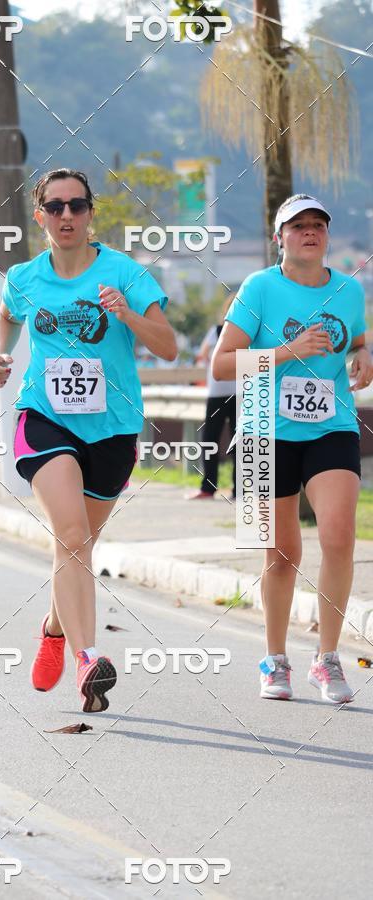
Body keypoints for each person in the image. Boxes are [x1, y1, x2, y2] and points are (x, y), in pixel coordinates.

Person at [0, 168, 177, 712]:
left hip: (112, 429)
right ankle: (88, 659)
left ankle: (53, 628)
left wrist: (127, 315)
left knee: (78, 546)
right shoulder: (24, 277)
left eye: (76, 206)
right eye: (55, 207)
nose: (66, 216)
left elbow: (167, 346)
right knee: (69, 535)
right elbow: (6, 319)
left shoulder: (124, 273)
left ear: (91, 212)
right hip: (45, 417)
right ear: (39, 214)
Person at [212, 193, 373, 704]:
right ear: (279, 237)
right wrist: (288, 351)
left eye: (318, 225)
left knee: (340, 536)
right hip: (263, 427)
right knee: (281, 554)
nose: (310, 232)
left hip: (332, 425)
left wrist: (365, 357)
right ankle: (275, 658)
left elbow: (359, 341)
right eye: (298, 225)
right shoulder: (260, 287)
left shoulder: (350, 289)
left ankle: (327, 659)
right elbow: (221, 365)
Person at [189, 294, 237, 500]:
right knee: (226, 442)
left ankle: (213, 488)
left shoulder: (217, 332)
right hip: (230, 394)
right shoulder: (221, 331)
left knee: (217, 442)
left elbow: (202, 354)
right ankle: (225, 488)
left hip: (228, 393)